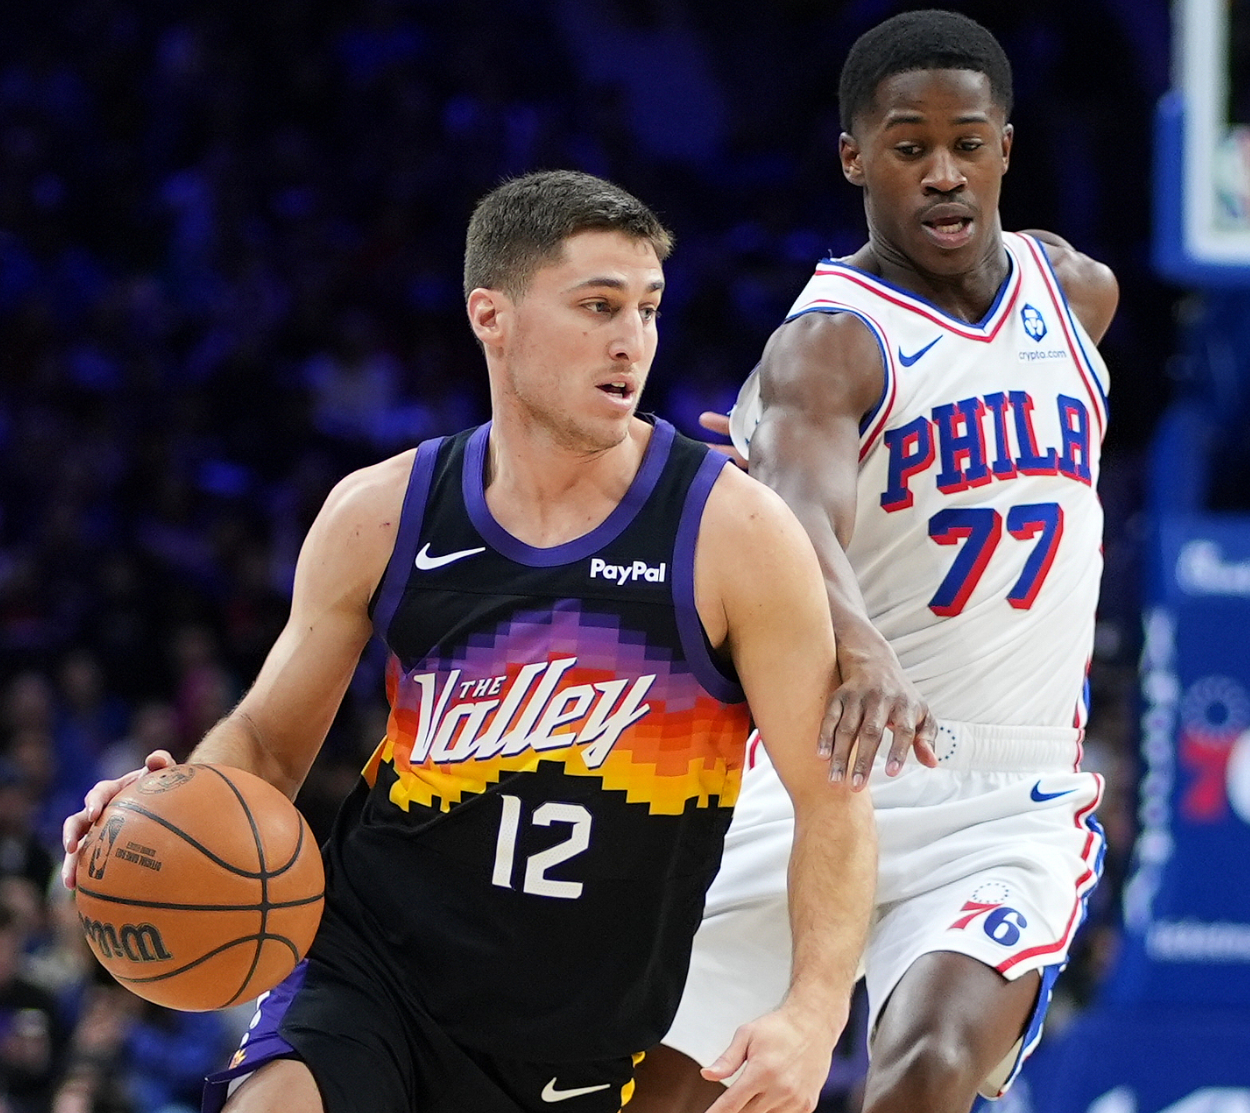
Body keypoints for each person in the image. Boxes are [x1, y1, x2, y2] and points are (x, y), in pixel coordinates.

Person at [61, 170, 876, 1113]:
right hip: (374, 971)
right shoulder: (381, 511)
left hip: (576, 1034)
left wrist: (816, 1011)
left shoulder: (734, 532)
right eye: (598, 306)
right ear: (492, 315)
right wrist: (166, 809)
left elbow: (832, 798)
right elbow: (269, 743)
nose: (632, 340)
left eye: (648, 308)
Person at [630, 10, 1118, 1113]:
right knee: (659, 1094)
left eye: (966, 143)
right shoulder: (830, 340)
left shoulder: (1075, 295)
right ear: (854, 158)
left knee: (928, 1069)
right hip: (830, 770)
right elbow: (799, 508)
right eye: (909, 147)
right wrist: (858, 642)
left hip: (1008, 793)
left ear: (1004, 147)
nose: (943, 173)